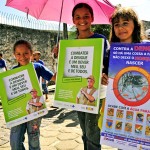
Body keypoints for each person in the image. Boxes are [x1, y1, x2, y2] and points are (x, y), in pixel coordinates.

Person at [53, 3, 109, 150]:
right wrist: (58, 55)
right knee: (85, 131)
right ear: (73, 20)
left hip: (97, 94)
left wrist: (106, 75)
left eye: (86, 16)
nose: (81, 20)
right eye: (77, 17)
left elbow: (108, 63)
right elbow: (66, 68)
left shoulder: (101, 40)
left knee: (93, 133)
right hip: (78, 94)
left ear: (92, 18)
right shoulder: (69, 43)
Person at [102, 6, 148, 150]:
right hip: (120, 109)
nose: (120, 27)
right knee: (123, 144)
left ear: (135, 25)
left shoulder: (147, 48)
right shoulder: (110, 52)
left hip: (143, 107)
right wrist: (104, 79)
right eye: (117, 24)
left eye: (125, 23)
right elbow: (106, 75)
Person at [10, 39, 56, 150]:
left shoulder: (37, 67)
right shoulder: (13, 70)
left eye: (26, 53)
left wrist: (58, 58)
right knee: (15, 140)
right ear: (14, 55)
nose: (22, 56)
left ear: (31, 53)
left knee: (34, 137)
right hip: (19, 110)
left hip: (35, 109)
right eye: (18, 54)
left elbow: (55, 78)